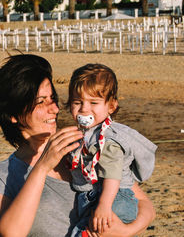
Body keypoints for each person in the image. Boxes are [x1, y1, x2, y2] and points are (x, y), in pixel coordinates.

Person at [0, 54, 155, 237]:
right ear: (13, 114)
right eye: (40, 101)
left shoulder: (82, 149)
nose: (55, 109)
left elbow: (144, 203)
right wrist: (43, 166)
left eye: (52, 98)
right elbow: (12, 232)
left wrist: (125, 231)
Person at [67, 63, 157, 236]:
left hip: (114, 198)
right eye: (77, 102)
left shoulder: (109, 140)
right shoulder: (86, 133)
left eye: (94, 102)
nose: (84, 109)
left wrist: (104, 205)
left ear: (111, 106)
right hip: (100, 197)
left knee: (83, 232)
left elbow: (112, 175)